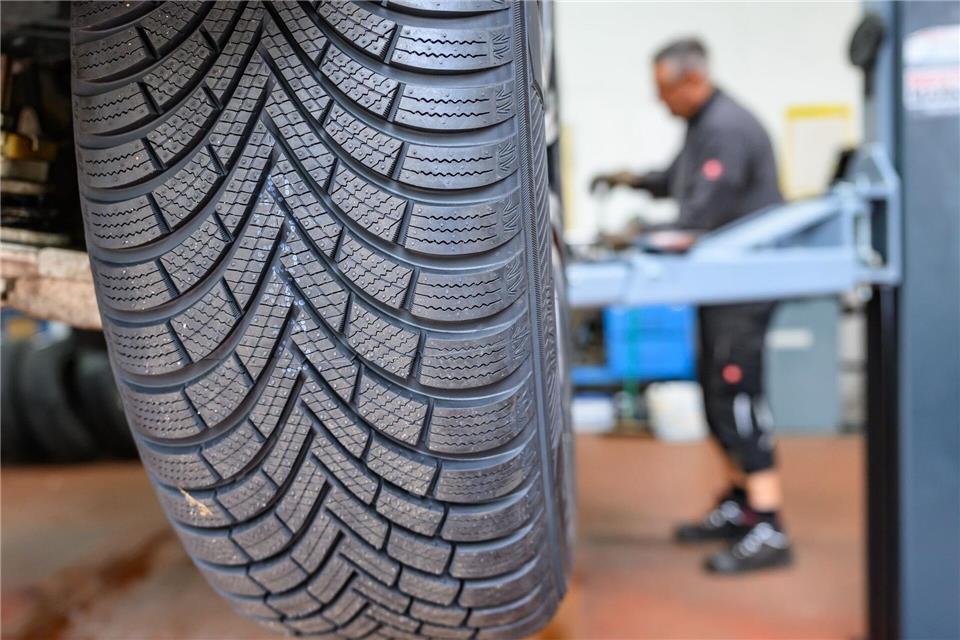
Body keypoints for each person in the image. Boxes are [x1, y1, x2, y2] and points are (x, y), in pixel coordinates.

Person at [592, 38, 792, 574]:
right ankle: (740, 503)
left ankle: (770, 526)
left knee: (738, 393)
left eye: (664, 91)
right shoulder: (702, 127)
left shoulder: (727, 128)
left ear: (693, 81)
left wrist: (632, 234)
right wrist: (630, 179)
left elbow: (698, 216)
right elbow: (676, 184)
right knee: (715, 390)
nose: (661, 102)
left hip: (743, 289)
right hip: (719, 286)